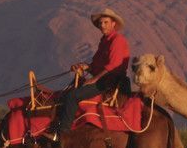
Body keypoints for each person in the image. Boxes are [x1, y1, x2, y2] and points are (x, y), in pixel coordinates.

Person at [52, 8, 131, 136]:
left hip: (109, 82)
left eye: (105, 22)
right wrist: (84, 67)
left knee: (73, 96)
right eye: (100, 23)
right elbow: (96, 65)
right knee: (66, 93)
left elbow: (114, 65)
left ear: (113, 24)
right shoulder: (104, 41)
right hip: (102, 79)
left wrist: (94, 79)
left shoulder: (117, 40)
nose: (102, 25)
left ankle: (63, 133)